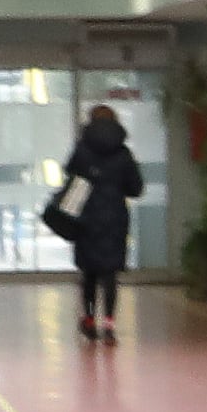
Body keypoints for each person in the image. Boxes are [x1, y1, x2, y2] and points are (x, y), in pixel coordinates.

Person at [62, 99, 143, 343]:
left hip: (86, 217)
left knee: (89, 271)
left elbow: (70, 177)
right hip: (115, 218)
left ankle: (88, 319)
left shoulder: (81, 150)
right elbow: (136, 188)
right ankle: (109, 324)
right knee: (110, 274)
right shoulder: (123, 153)